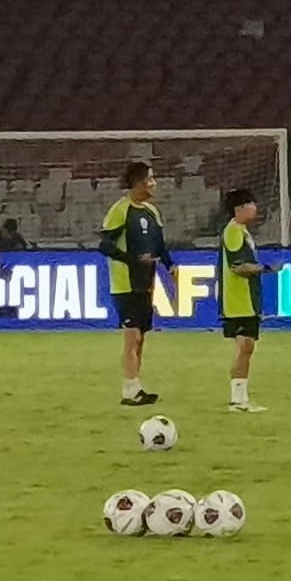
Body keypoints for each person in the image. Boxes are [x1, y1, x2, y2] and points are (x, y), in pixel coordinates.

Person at [98, 159, 178, 406]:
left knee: (141, 337)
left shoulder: (152, 212)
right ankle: (129, 390)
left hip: (146, 283)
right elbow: (105, 245)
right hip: (125, 283)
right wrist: (133, 260)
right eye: (151, 178)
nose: (155, 183)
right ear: (138, 182)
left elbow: (159, 245)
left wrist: (170, 265)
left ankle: (135, 386)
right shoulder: (121, 210)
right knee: (131, 336)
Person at [217, 187, 284, 413]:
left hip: (244, 300)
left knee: (247, 347)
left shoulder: (241, 231)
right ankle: (238, 400)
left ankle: (240, 397)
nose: (255, 208)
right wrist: (267, 268)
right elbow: (238, 267)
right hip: (238, 300)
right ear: (240, 208)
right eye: (251, 204)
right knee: (245, 346)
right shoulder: (234, 231)